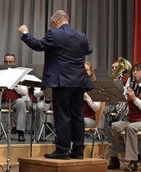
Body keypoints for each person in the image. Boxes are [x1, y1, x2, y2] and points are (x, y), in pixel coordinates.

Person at [18, 10, 93, 159]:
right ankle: (78, 150)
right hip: (79, 81)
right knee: (77, 115)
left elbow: (38, 45)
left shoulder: (54, 33)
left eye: (52, 24)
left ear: (55, 21)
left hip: (62, 81)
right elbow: (88, 49)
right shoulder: (81, 36)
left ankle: (62, 149)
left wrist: (25, 33)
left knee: (63, 115)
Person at [106, 63, 141, 172]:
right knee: (113, 126)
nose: (134, 73)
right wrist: (124, 97)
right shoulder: (131, 86)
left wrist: (134, 99)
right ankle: (114, 158)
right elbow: (125, 101)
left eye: (138, 70)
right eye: (133, 70)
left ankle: (133, 161)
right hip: (132, 119)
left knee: (131, 128)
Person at [83, 61, 101, 128]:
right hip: (77, 117)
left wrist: (86, 96)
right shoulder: (76, 86)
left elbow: (96, 108)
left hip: (89, 118)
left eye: (87, 70)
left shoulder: (95, 87)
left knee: (78, 121)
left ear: (91, 72)